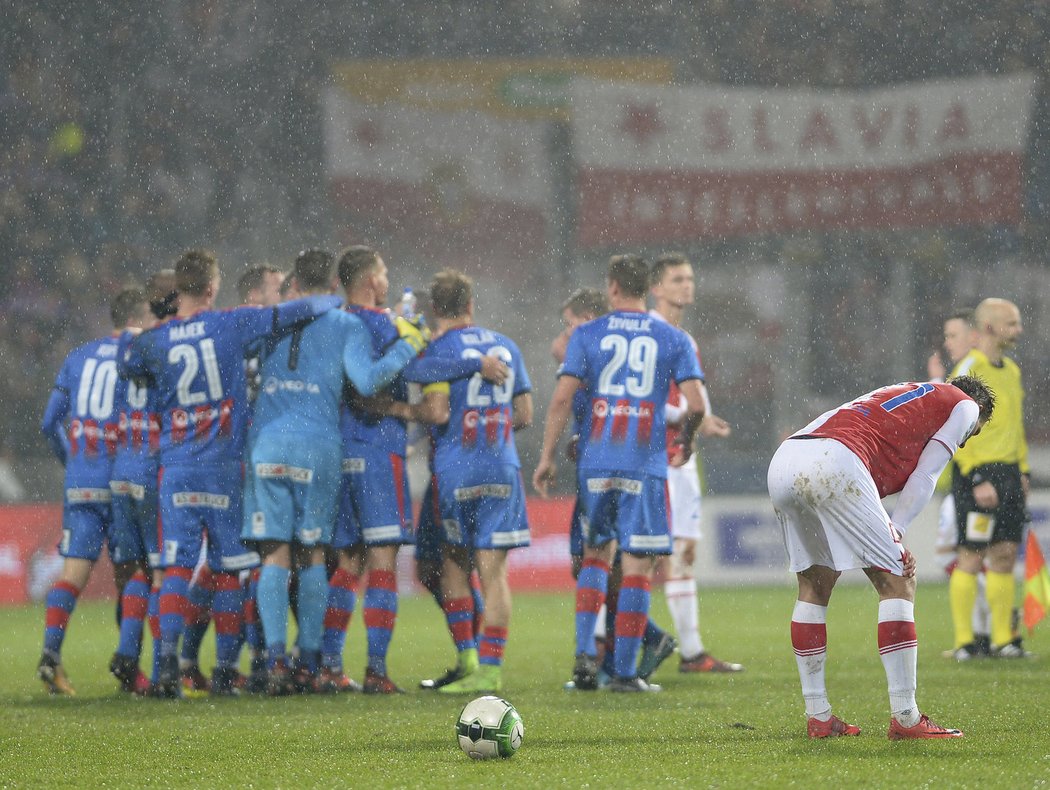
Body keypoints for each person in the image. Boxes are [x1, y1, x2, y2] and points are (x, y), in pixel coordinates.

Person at [119, 249, 345, 697]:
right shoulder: (231, 323)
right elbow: (306, 307)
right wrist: (337, 301)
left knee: (176, 568)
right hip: (223, 465)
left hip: (176, 468)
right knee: (228, 570)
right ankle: (225, 669)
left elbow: (130, 364)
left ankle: (166, 665)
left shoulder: (155, 340)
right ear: (210, 288)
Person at [242, 248, 429, 695]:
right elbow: (367, 381)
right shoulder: (346, 324)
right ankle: (312, 662)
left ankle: (273, 662)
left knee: (273, 556)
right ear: (333, 282)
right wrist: (409, 343)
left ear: (294, 284)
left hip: (266, 443)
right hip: (317, 447)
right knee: (310, 555)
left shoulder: (269, 321)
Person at [768, 377, 994, 739]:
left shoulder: (909, 391)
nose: (967, 441)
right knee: (898, 579)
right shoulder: (965, 406)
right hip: (833, 459)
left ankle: (819, 716)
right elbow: (927, 474)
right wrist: (898, 530)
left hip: (786, 460)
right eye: (975, 433)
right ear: (978, 410)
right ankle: (906, 718)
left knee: (815, 583)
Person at [533, 253, 706, 693]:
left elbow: (559, 400)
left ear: (611, 287)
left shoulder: (587, 333)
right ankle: (625, 674)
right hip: (643, 463)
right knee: (637, 567)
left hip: (595, 461)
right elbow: (697, 404)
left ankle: (584, 657)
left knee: (594, 557)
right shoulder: (672, 337)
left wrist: (547, 456)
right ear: (647, 288)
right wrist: (686, 438)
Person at [411, 269, 533, 694]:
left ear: (434, 310)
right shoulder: (507, 346)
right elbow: (525, 414)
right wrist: (491, 429)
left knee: (453, 567)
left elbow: (437, 407)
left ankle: (466, 658)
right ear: (470, 305)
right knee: (494, 574)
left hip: (456, 468)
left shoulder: (438, 351)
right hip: (501, 465)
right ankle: (491, 670)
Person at [37, 288, 145, 695]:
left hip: (82, 480)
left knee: (72, 573)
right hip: (122, 478)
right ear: (143, 315)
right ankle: (129, 667)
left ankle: (50, 654)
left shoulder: (78, 356)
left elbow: (50, 423)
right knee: (132, 573)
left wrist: (75, 463)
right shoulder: (140, 354)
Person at [648, 253, 742, 675]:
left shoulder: (685, 339)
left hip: (682, 459)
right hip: (654, 459)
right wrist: (685, 417)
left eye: (690, 278)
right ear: (656, 288)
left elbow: (689, 399)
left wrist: (703, 422)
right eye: (677, 279)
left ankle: (690, 652)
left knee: (682, 553)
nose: (687, 285)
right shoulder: (650, 335)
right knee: (645, 556)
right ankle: (606, 648)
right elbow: (645, 403)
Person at [948, 298, 1031, 659]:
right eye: (1011, 323)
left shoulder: (1011, 370)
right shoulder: (970, 368)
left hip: (1010, 474)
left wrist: (1022, 470)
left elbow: (1015, 426)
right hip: (976, 474)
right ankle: (965, 642)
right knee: (971, 554)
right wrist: (977, 475)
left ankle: (1003, 640)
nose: (1018, 330)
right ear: (990, 327)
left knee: (1005, 553)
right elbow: (953, 426)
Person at [106, 282, 166, 695]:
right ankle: (164, 667)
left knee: (136, 571)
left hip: (122, 467)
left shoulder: (124, 354)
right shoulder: (164, 350)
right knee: (165, 571)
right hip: (152, 468)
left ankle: (128, 651)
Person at [925, 309, 993, 656]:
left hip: (967, 481)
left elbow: (965, 432)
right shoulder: (968, 372)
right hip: (960, 482)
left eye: (953, 335)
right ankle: (984, 632)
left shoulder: (968, 374)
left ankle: (982, 632)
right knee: (971, 557)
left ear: (973, 336)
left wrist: (939, 384)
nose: (948, 343)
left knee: (963, 557)